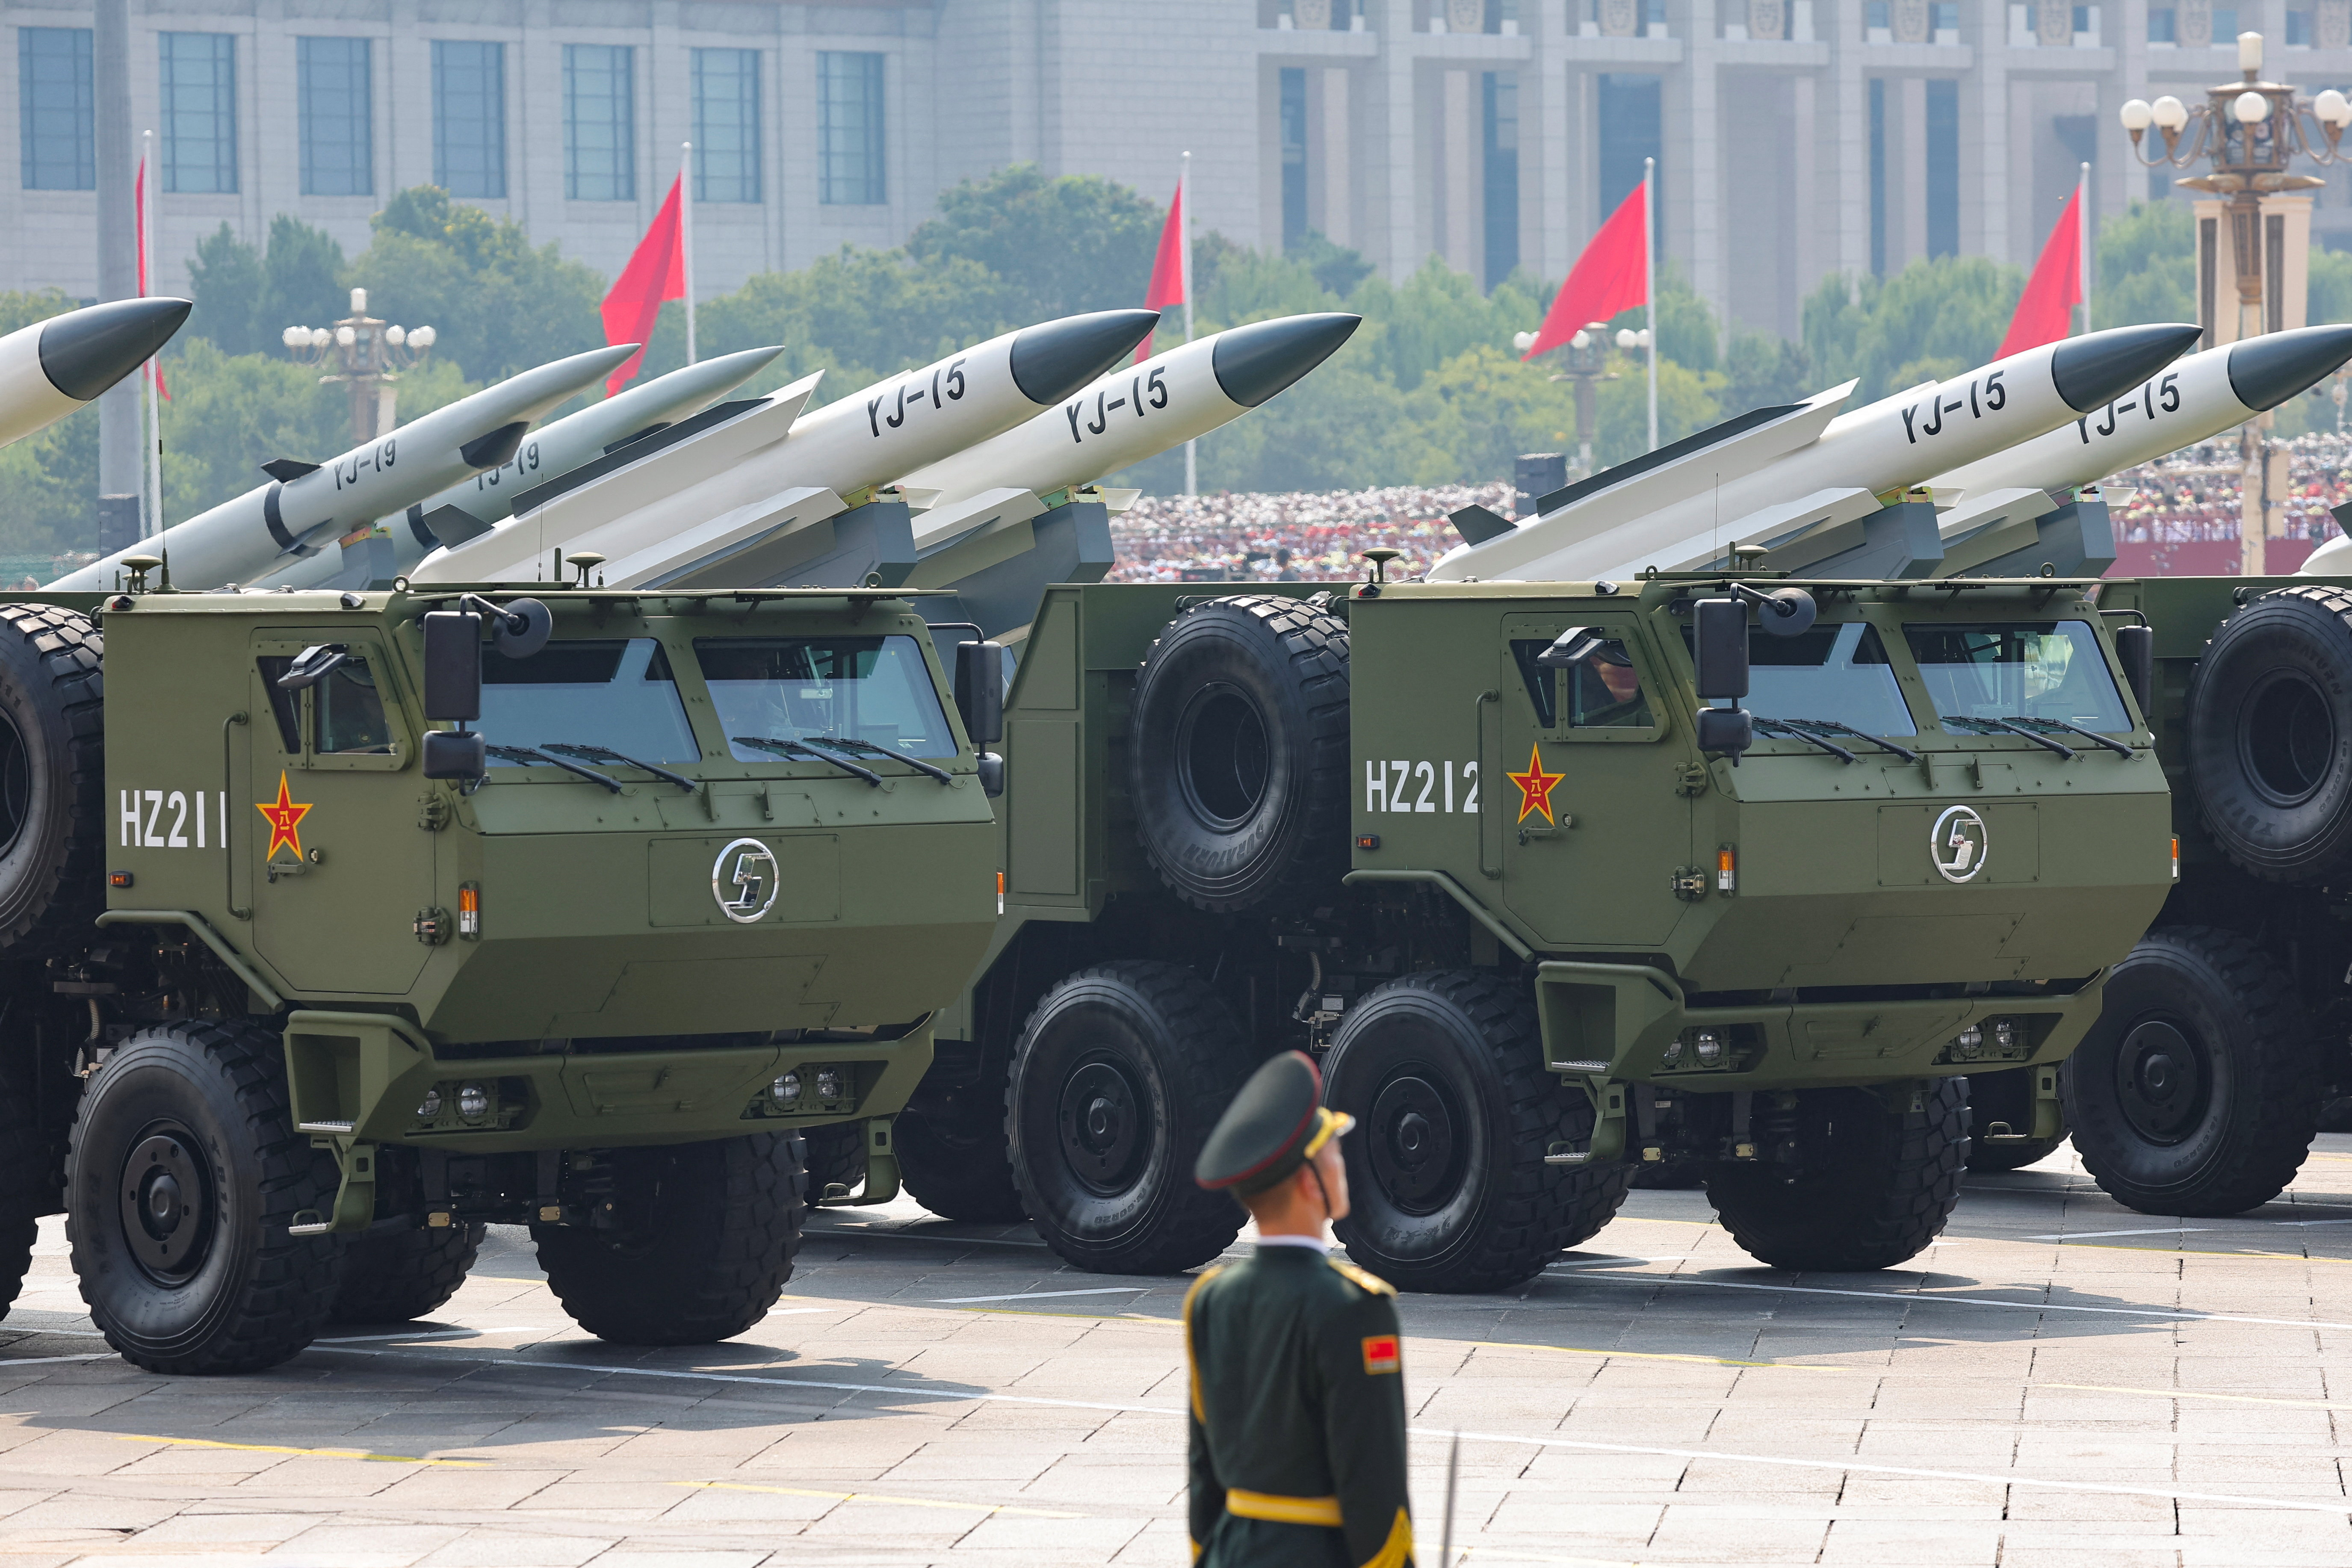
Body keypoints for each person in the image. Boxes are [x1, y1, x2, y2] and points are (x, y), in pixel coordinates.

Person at [1184, 1051, 1415, 1568]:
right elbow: (1371, 1482)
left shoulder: (1210, 1300)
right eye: (1334, 1151)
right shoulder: (1355, 1307)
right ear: (1310, 1181)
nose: (1343, 1164)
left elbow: (1204, 1482)